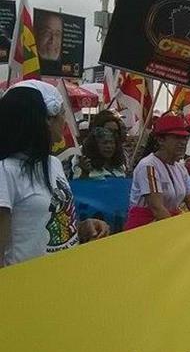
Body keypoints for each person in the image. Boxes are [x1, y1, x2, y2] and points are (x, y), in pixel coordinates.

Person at [0, 80, 110, 266]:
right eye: (61, 113)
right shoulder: (5, 171)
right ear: (45, 120)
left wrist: (82, 228)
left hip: (62, 278)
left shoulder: (53, 164)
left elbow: (47, 221)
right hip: (26, 287)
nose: (64, 121)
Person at [124, 113, 190, 230]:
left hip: (166, 225)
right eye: (177, 137)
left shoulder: (181, 168)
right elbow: (157, 209)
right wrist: (176, 232)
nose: (183, 142)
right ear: (161, 140)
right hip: (144, 228)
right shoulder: (148, 166)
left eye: (184, 138)